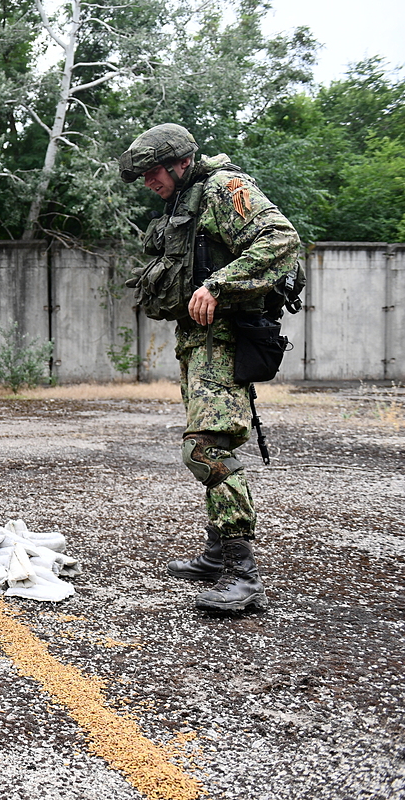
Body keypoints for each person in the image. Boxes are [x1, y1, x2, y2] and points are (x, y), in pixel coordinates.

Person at [118, 123, 302, 613]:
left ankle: (243, 575)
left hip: (226, 339)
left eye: (152, 171)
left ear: (180, 162)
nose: (147, 181)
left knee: (205, 449)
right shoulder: (184, 201)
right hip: (199, 342)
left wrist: (217, 285)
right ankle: (219, 553)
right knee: (207, 444)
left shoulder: (225, 189)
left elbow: (282, 238)